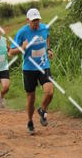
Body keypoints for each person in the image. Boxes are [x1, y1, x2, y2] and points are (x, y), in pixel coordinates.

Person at [9, 7, 53, 135]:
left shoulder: (44, 28)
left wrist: (48, 49)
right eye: (33, 21)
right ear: (28, 20)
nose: (36, 23)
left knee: (49, 92)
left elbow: (47, 37)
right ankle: (29, 122)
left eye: (37, 20)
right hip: (29, 68)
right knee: (31, 98)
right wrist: (22, 48)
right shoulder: (22, 32)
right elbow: (11, 52)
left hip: (43, 65)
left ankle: (42, 109)